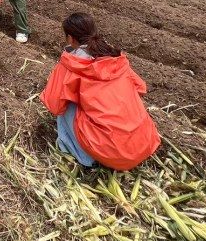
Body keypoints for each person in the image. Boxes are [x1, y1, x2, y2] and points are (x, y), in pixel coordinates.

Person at [40, 12, 161, 170]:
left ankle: (83, 157)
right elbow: (140, 87)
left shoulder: (72, 64)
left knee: (64, 103)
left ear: (70, 38)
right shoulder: (115, 57)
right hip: (142, 143)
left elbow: (54, 104)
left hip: (112, 152)